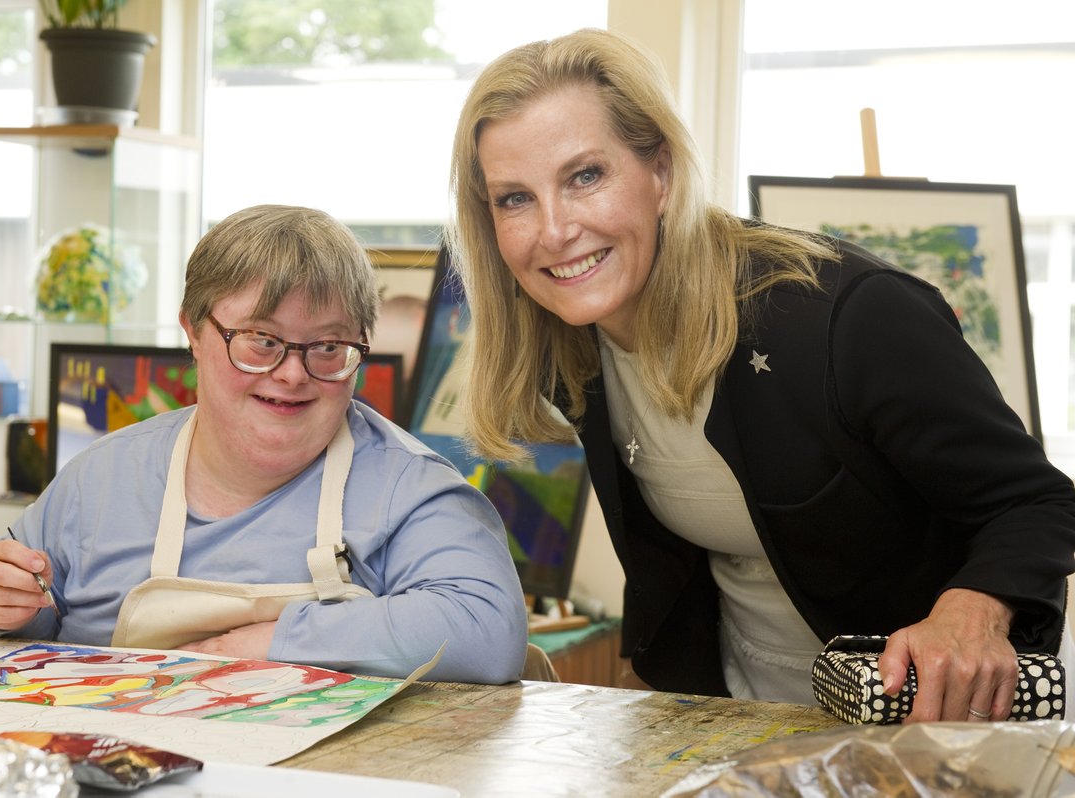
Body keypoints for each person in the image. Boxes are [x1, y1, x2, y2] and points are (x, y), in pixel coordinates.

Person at [447, 27, 1075, 721]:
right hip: (739, 725)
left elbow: (1040, 505)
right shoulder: (566, 339)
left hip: (924, 729)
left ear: (660, 172)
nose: (554, 230)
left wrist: (971, 613)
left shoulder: (845, 316)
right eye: (514, 198)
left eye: (585, 176)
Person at [0, 204, 528, 685]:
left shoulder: (413, 492)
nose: (293, 374)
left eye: (327, 346)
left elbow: (487, 630)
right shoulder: (101, 478)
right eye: (260, 340)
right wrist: (1, 598)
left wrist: (278, 641)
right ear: (192, 333)